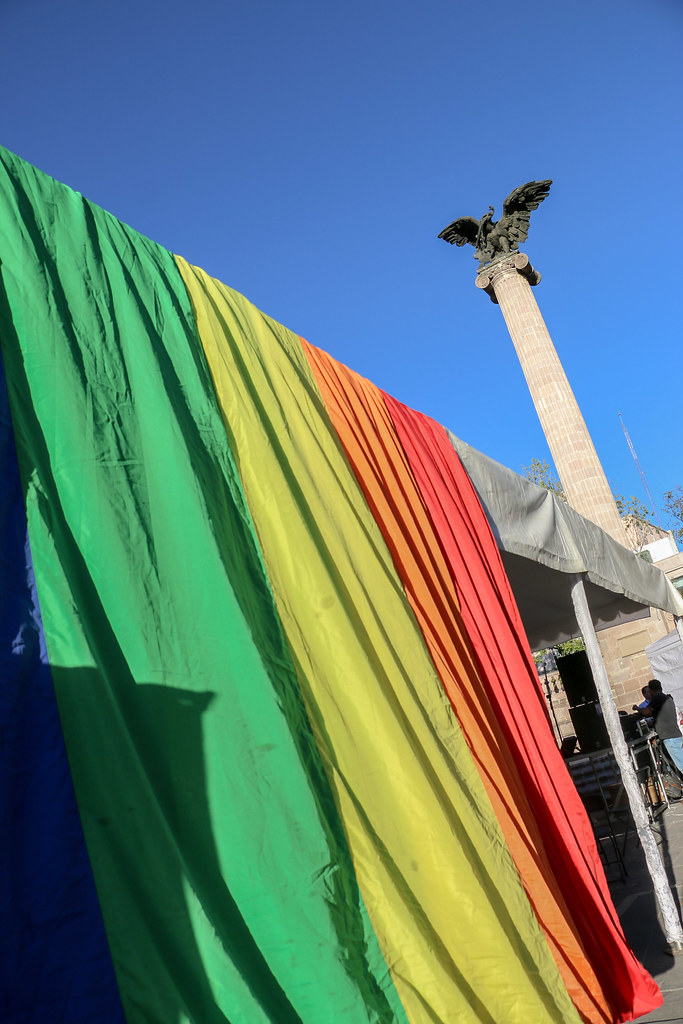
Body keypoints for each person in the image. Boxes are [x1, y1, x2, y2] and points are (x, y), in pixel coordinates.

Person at [647, 679, 683, 775]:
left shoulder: (658, 698)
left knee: (681, 765)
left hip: (670, 737)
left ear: (650, 690)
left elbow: (646, 712)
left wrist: (636, 708)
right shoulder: (666, 698)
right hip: (675, 735)